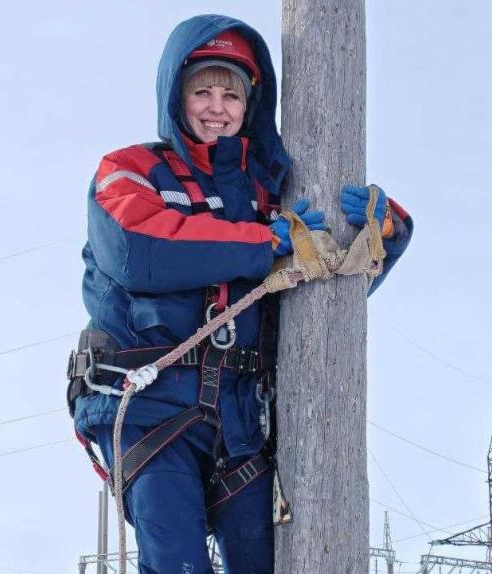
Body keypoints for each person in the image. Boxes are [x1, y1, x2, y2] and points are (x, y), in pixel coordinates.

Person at [69, 14, 413, 574]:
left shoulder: (273, 195)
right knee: (179, 563)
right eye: (201, 90)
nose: (216, 106)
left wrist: (386, 234)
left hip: (240, 424)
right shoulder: (131, 171)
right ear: (175, 97)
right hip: (150, 412)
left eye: (231, 93)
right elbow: (137, 248)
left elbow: (314, 297)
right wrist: (258, 243)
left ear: (250, 104)